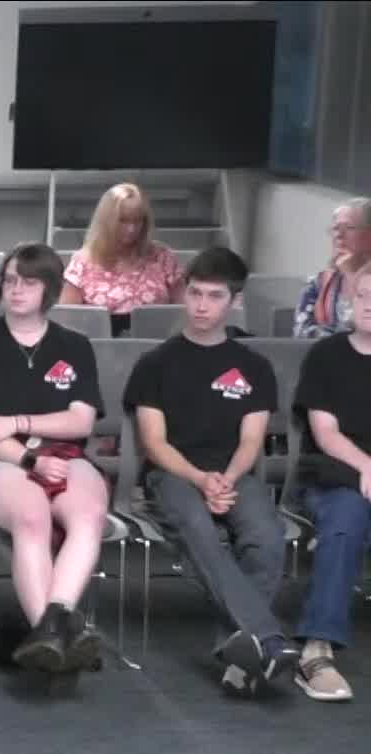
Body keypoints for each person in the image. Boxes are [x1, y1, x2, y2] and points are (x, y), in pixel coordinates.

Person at [122, 247, 295, 696]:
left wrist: (227, 479)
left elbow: (251, 441)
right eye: (195, 293)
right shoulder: (155, 364)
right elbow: (154, 443)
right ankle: (267, 638)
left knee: (267, 538)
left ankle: (239, 653)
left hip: (234, 475)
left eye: (214, 296)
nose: (201, 306)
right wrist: (201, 480)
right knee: (199, 529)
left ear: (234, 302)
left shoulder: (254, 367)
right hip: (171, 476)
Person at [0, 243, 110, 673]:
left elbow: (80, 421)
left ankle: (48, 633)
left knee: (89, 514)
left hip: (64, 454)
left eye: (29, 282)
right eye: (10, 280)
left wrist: (16, 421)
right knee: (33, 515)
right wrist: (29, 460)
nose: (16, 289)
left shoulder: (75, 346)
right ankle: (55, 636)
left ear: (49, 290)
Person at [288, 272, 371, 701]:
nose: (370, 304)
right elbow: (326, 433)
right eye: (364, 295)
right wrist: (367, 466)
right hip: (335, 472)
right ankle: (316, 650)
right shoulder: (327, 355)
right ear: (350, 301)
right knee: (345, 522)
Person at [59, 182, 186, 337]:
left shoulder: (163, 257)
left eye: (137, 220)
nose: (131, 229)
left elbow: (184, 312)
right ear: (106, 221)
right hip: (98, 346)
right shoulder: (82, 261)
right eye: (123, 220)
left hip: (158, 345)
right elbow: (67, 321)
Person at [292, 197, 370, 339]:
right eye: (335, 228)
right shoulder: (318, 283)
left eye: (349, 228)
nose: (339, 235)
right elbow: (301, 333)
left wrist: (351, 276)